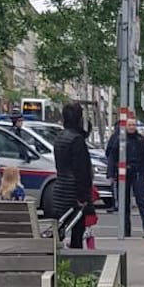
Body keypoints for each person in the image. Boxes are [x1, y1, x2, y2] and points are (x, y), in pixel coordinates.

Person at [50, 102, 94, 249]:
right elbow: (82, 172)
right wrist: (83, 197)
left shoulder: (60, 137)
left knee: (60, 230)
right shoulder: (77, 141)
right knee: (77, 233)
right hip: (74, 193)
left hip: (60, 190)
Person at [107, 118, 144, 231]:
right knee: (124, 202)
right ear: (125, 126)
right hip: (123, 173)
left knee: (141, 201)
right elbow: (112, 156)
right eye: (130, 125)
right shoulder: (119, 139)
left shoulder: (141, 140)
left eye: (133, 125)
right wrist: (111, 173)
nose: (132, 127)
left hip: (138, 172)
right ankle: (125, 229)